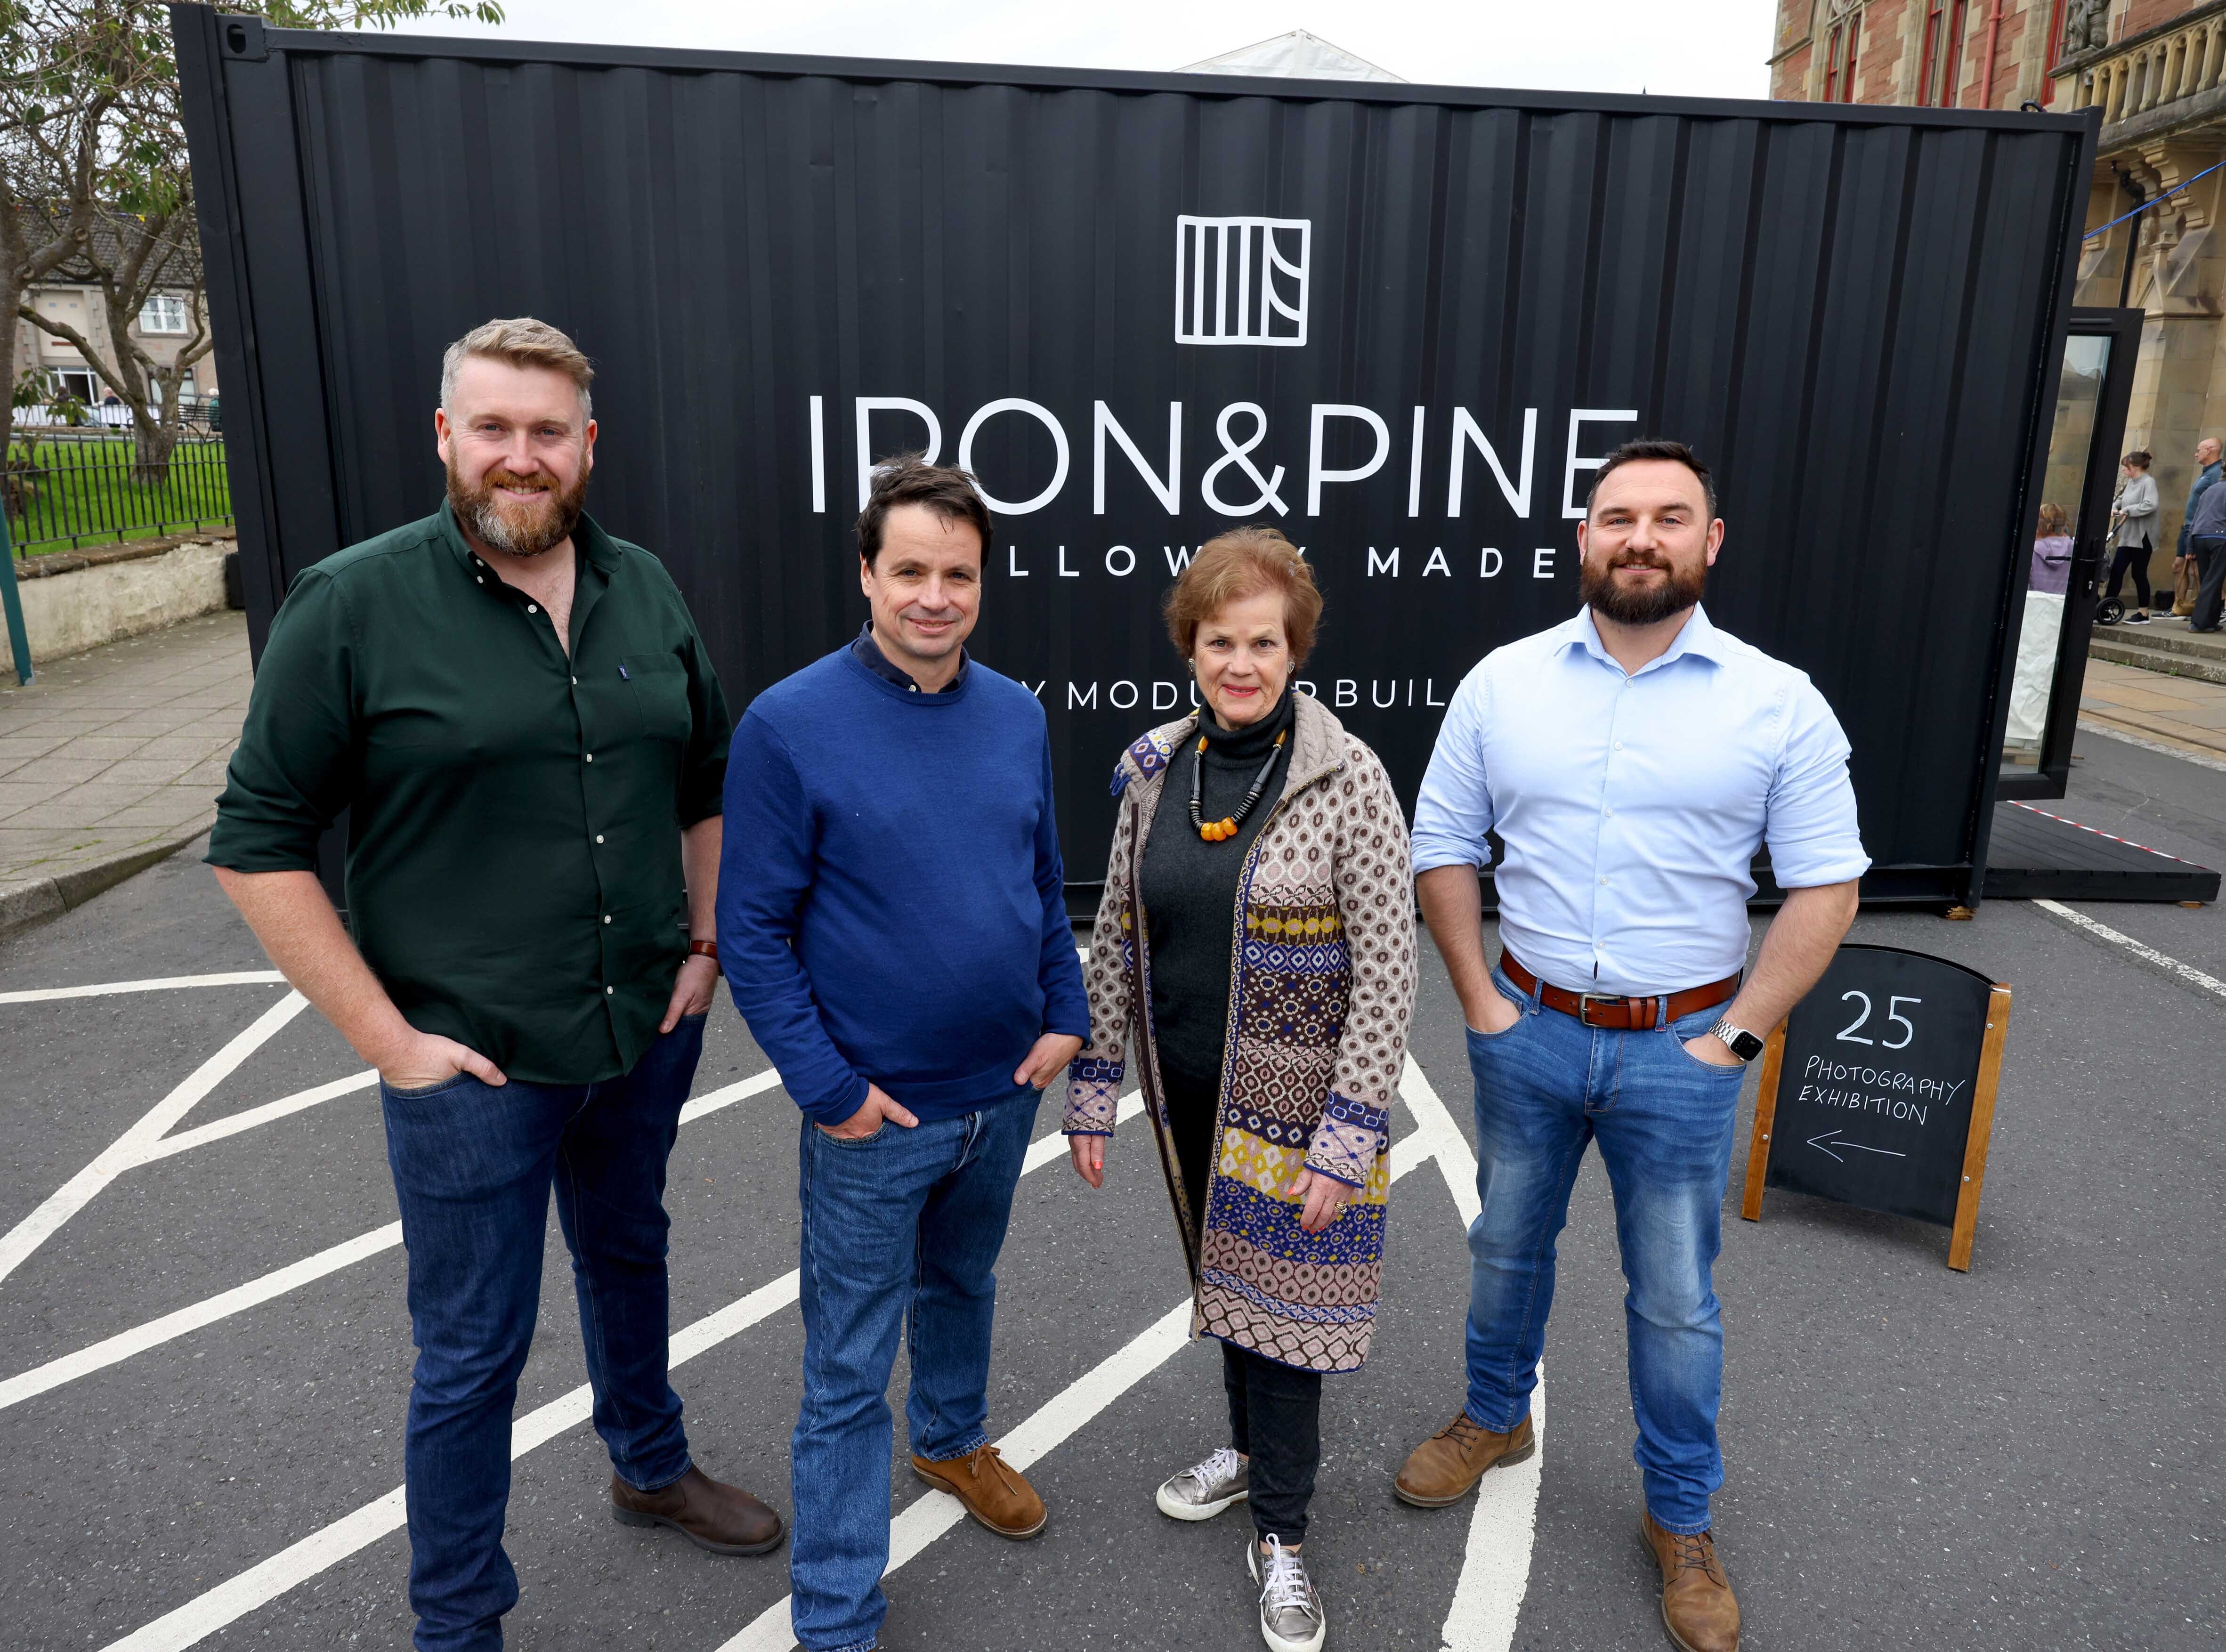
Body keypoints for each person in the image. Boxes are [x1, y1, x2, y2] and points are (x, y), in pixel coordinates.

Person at [206, 318, 777, 1652]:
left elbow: (705, 782)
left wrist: (704, 947)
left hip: (642, 1027)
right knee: (471, 1353)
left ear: (589, 446)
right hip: (467, 1065)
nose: (522, 457)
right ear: (447, 436)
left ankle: (649, 1462)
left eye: (548, 432)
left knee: (632, 1253)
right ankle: (459, 1620)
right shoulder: (352, 603)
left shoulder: (645, 588)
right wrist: (385, 1039)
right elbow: (256, 840)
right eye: (495, 428)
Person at [1397, 439, 1867, 1652]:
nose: (1640, 537)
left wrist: (1739, 1040)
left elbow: (1826, 887)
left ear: (1711, 541)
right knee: (1504, 1248)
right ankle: (1494, 1416)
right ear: (1584, 538)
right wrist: (1479, 1004)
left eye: (1670, 517)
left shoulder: (1777, 700)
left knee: (1673, 1301)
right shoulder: (1504, 683)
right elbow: (1441, 843)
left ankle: (1681, 1520)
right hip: (1529, 1031)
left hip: (1684, 1049)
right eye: (1617, 517)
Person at [717, 456, 1089, 1652]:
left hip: (1002, 1090)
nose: (936, 595)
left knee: (963, 1285)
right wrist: (829, 1091)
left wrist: (1063, 1010)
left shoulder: (1015, 713)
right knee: (843, 1370)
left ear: (984, 583)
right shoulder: (788, 724)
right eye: (911, 571)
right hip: (873, 1114)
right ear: (867, 574)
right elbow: (751, 929)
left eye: (959, 574)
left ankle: (949, 1441)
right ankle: (835, 1613)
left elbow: (1038, 879)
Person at [1064, 527, 1417, 1652]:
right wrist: (1091, 1087)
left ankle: (1284, 1540)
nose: (1241, 663)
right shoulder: (1152, 770)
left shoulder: (1347, 774)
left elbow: (1390, 972)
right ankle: (1252, 1454)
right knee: (1232, 1289)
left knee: (1287, 1323)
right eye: (1220, 640)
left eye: (1263, 641)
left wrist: (1346, 1136)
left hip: (1303, 1112)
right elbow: (1116, 934)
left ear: (1296, 649)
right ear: (1191, 646)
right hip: (1188, 1106)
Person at [2185, 454, 2226, 632]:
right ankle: (2198, 622)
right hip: (2222, 539)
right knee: (2213, 581)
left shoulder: (2209, 490)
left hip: (2200, 537)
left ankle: (2211, 620)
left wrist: (2190, 546)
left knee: (2208, 579)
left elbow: (2196, 518)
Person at [2172, 436, 2221, 615]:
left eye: (2199, 450)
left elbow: (2217, 501)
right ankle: (2179, 607)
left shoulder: (2217, 472)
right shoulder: (2207, 471)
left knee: (2198, 571)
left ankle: (2205, 609)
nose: (2195, 455)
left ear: (2209, 450)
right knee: (2178, 566)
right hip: (2188, 527)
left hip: (2199, 528)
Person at [2108, 450, 2159, 623]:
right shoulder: (2132, 482)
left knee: (2139, 574)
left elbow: (2150, 505)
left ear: (2136, 467)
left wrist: (2127, 510)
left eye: (2126, 466)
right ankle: (2107, 607)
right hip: (2128, 536)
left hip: (2142, 537)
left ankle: (2143, 613)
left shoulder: (2148, 482)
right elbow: (2122, 499)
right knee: (2116, 571)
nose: (2123, 470)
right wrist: (2116, 507)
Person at [2029, 502, 2073, 594]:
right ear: (2064, 524)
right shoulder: (2073, 548)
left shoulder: (2032, 549)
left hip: (2034, 604)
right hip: (2063, 605)